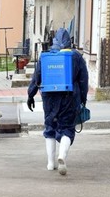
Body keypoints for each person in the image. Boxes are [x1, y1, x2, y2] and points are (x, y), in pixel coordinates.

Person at [27, 28, 89, 175]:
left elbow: (37, 77)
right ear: (70, 41)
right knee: (67, 128)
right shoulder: (76, 57)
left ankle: (50, 163)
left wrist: (31, 95)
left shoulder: (46, 56)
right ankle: (62, 156)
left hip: (49, 96)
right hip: (70, 96)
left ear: (54, 41)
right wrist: (83, 99)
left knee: (50, 127)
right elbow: (83, 80)